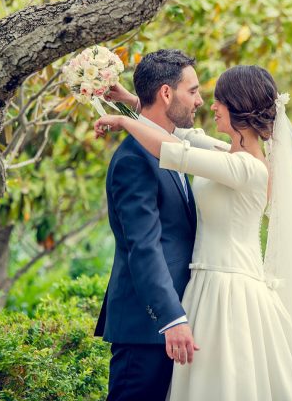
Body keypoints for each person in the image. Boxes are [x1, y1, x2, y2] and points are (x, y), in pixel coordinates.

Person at [96, 64, 292, 400]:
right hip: (207, 288)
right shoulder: (226, 153)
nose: (210, 105)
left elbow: (174, 151)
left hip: (229, 292)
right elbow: (180, 135)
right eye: (198, 93)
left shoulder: (247, 169)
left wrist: (123, 121)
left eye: (219, 100)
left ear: (238, 108)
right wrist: (131, 103)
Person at [95, 49, 227, 400]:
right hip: (147, 329)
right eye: (193, 91)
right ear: (167, 94)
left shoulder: (175, 145)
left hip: (177, 326)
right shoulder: (132, 160)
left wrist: (129, 107)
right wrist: (171, 318)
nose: (200, 101)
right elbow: (144, 246)